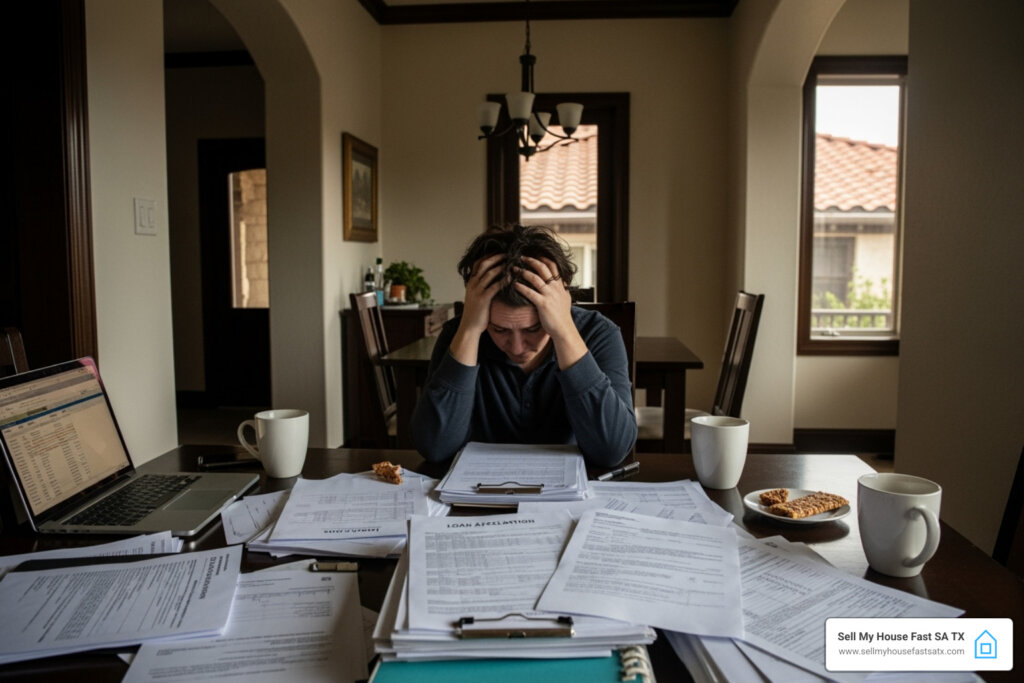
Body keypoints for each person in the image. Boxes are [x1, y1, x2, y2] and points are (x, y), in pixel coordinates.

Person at [409, 224, 636, 467]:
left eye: (533, 329)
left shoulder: (599, 334)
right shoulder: (461, 333)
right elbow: (435, 447)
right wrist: (470, 329)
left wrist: (564, 331)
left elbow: (612, 450)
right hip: (478, 495)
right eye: (499, 329)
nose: (517, 347)